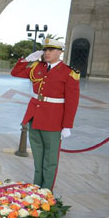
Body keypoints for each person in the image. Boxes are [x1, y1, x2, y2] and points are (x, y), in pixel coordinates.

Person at [11, 38, 80, 190]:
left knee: (50, 160)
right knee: (37, 156)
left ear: (60, 52)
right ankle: (37, 188)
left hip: (53, 120)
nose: (47, 53)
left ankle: (47, 191)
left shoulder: (69, 73)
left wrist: (67, 125)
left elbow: (72, 102)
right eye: (45, 50)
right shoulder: (37, 67)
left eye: (51, 50)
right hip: (34, 117)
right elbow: (15, 72)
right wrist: (27, 60)